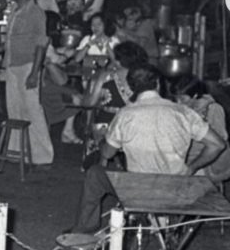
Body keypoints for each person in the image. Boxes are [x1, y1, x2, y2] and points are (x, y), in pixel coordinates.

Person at [66, 65, 226, 234]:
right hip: (175, 188)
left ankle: (84, 227)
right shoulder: (183, 112)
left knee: (95, 174)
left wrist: (102, 140)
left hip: (137, 190)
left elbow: (107, 153)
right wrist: (192, 167)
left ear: (132, 87)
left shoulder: (125, 114)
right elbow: (218, 144)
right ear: (157, 84)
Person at [3, 0, 53, 166]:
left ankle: (42, 156)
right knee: (14, 110)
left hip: (28, 66)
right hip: (12, 65)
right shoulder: (16, 10)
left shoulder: (36, 13)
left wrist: (34, 73)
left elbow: (41, 44)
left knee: (32, 110)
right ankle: (17, 150)